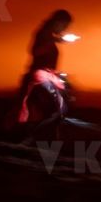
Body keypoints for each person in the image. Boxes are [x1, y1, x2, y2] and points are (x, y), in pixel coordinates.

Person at [11, 10, 74, 140]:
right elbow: (35, 51)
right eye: (65, 25)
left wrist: (58, 39)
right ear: (58, 22)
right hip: (39, 80)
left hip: (45, 79)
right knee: (41, 113)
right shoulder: (43, 34)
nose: (65, 29)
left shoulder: (48, 35)